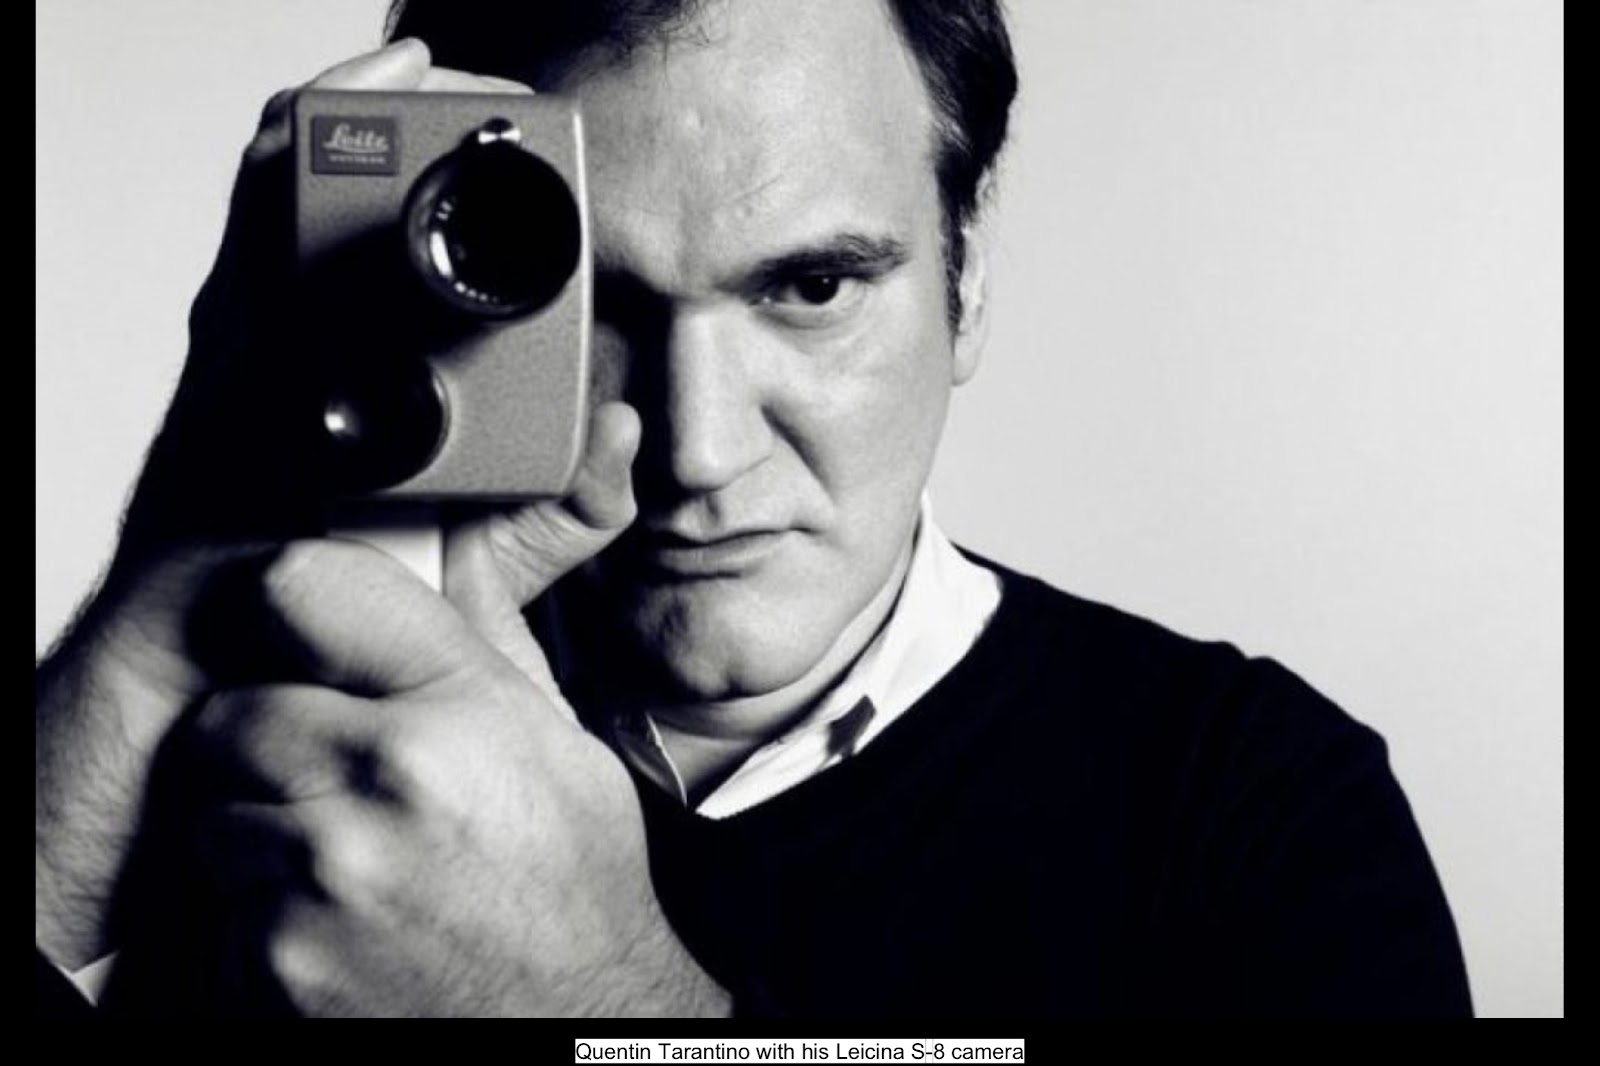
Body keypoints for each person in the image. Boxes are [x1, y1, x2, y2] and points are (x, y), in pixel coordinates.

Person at [34, 0, 1472, 1018]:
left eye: (811, 287)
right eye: (596, 301)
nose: (701, 447)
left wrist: (601, 1008)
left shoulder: (1258, 815)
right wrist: (173, 587)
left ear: (968, 278)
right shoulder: (289, 736)